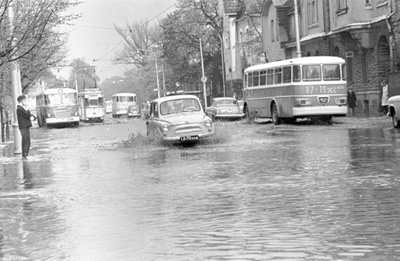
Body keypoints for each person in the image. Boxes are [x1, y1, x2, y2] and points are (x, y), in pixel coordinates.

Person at [16, 95, 33, 160]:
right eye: (25, 100)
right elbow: (27, 116)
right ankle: (24, 155)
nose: (26, 102)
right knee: (25, 140)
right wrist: (28, 109)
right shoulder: (19, 109)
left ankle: (25, 154)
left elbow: (29, 116)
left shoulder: (22, 108)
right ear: (22, 101)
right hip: (23, 127)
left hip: (25, 126)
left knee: (27, 140)